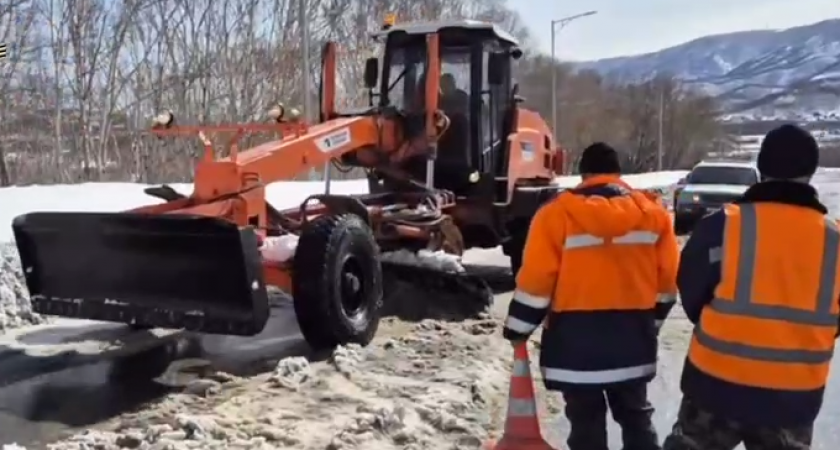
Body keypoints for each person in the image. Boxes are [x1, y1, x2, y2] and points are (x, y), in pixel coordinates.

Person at [662, 124, 838, 450]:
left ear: (762, 167)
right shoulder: (835, 240)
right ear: (811, 172)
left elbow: (691, 292)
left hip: (714, 388)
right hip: (793, 398)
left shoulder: (721, 226)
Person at [502, 142, 680, 450]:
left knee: (586, 423)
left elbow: (537, 281)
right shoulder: (653, 215)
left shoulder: (555, 216)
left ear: (583, 175)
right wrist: (651, 322)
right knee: (636, 417)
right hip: (631, 343)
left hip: (575, 346)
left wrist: (517, 328)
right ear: (618, 175)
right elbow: (668, 283)